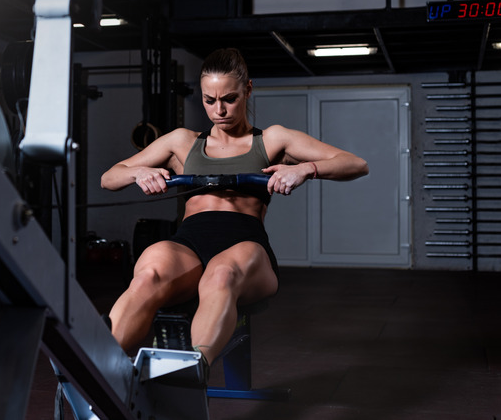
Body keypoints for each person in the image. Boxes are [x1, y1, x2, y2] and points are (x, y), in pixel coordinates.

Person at [100, 48, 369, 371]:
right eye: (209, 100)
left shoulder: (272, 140)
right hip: (189, 243)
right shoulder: (182, 142)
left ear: (248, 90)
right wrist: (137, 172)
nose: (219, 110)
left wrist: (304, 169)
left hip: (245, 244)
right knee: (148, 275)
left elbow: (356, 163)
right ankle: (96, 366)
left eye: (229, 98)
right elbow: (109, 177)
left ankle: (188, 373)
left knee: (222, 274)